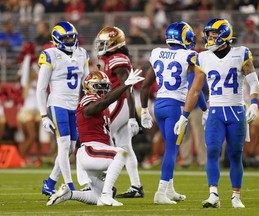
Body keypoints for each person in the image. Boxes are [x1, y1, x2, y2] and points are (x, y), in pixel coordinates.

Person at [174, 18, 259, 208]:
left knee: (235, 154)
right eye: (208, 36)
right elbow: (195, 91)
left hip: (236, 111)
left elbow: (254, 82)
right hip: (215, 112)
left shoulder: (241, 53)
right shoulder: (203, 57)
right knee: (212, 151)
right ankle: (213, 194)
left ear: (224, 36)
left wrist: (254, 104)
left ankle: (236, 196)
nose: (209, 39)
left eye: (213, 36)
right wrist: (184, 115)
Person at [46, 69, 144, 207]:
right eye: (99, 87)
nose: (102, 91)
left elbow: (106, 123)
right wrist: (125, 85)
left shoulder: (104, 107)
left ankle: (69, 194)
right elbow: (100, 104)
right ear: (88, 86)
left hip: (97, 151)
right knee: (121, 153)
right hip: (90, 150)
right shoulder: (88, 99)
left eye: (105, 87)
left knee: (96, 196)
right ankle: (106, 195)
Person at [140, 21, 207, 204]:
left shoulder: (157, 53)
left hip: (159, 106)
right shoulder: (190, 56)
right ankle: (160, 192)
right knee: (171, 149)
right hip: (175, 107)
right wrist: (205, 109)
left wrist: (145, 110)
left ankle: (169, 189)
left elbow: (145, 85)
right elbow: (196, 88)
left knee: (173, 148)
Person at [36, 21, 90, 196]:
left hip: (75, 106)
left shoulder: (82, 53)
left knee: (71, 147)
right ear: (56, 39)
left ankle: (50, 182)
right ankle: (70, 187)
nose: (69, 40)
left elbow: (87, 83)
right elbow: (41, 88)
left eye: (71, 37)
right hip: (57, 104)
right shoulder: (50, 55)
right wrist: (44, 115)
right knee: (64, 144)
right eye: (65, 37)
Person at [94, 26, 144, 198]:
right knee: (125, 147)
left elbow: (128, 87)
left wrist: (132, 117)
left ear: (115, 43)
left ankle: (101, 185)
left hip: (119, 103)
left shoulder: (118, 58)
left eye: (105, 43)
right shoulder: (110, 58)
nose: (101, 46)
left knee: (102, 141)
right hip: (118, 104)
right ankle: (136, 186)